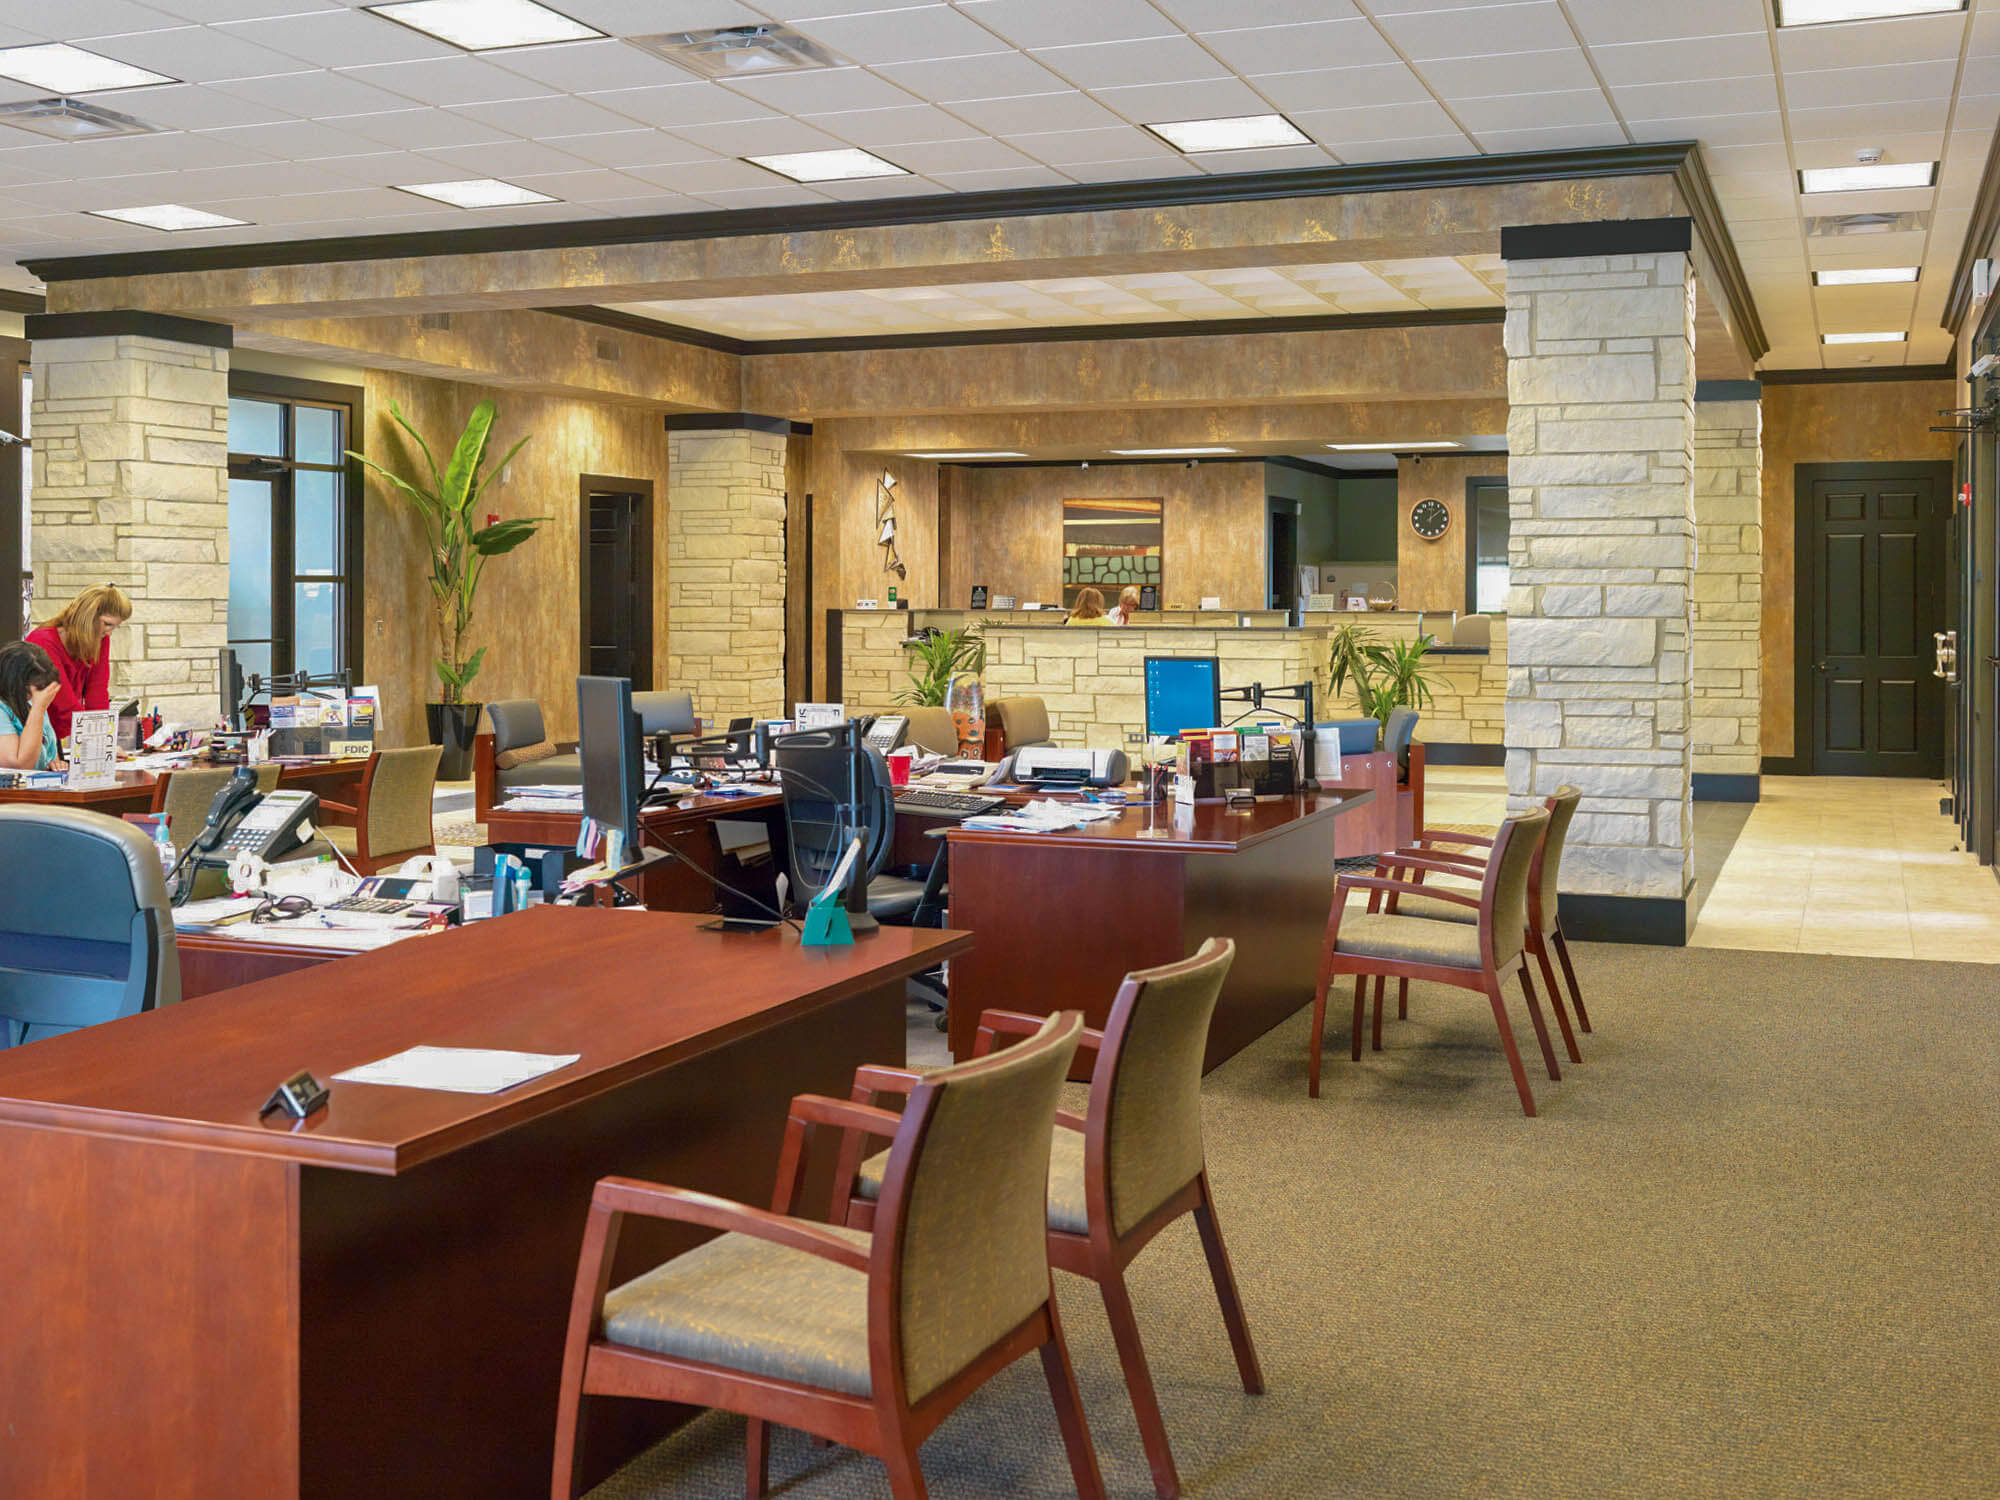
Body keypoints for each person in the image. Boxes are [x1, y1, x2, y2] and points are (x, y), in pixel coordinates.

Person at [26, 583, 133, 742]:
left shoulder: (100, 638)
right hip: (34, 735)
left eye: (114, 627)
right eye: (107, 624)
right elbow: (63, 703)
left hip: (64, 735)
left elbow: (97, 691)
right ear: (88, 616)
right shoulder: (43, 641)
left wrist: (103, 741)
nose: (109, 632)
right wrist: (95, 741)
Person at [0, 640, 66, 771]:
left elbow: (51, 756)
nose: (34, 695)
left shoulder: (34, 702)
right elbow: (19, 766)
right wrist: (38, 709)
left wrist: (55, 765)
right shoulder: (35, 706)